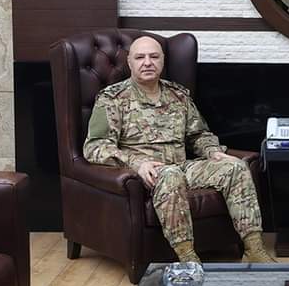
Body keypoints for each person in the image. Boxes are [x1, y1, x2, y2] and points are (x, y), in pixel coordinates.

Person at [84, 36, 275, 264]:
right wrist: (137, 164)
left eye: (154, 57)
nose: (148, 62)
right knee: (170, 175)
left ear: (163, 60)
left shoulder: (178, 95)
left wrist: (213, 152)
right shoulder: (112, 99)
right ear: (130, 62)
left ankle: (254, 250)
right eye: (140, 57)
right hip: (146, 174)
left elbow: (198, 134)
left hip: (182, 166)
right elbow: (95, 146)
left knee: (235, 167)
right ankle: (188, 258)